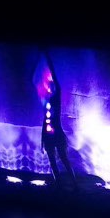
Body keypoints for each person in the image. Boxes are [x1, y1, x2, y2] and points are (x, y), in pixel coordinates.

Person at [39, 50, 75, 185]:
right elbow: (45, 121)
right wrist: (42, 139)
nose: (49, 87)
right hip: (48, 135)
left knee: (64, 159)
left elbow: (55, 82)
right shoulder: (46, 102)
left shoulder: (56, 99)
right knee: (52, 161)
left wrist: (48, 58)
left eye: (51, 85)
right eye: (48, 86)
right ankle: (58, 184)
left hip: (57, 134)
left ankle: (74, 184)